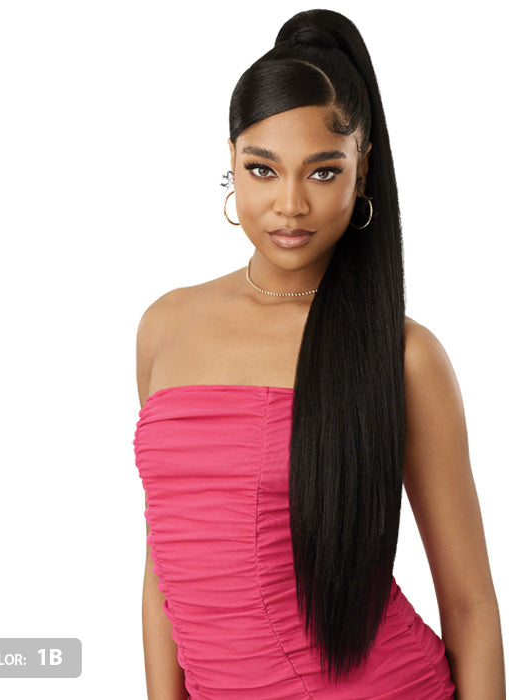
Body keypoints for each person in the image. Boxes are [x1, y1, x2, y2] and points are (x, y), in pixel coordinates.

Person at [134, 9, 505, 699]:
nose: (290, 204)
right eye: (263, 169)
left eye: (323, 172)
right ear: (231, 163)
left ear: (362, 172)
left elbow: (469, 606)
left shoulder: (404, 356)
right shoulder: (166, 327)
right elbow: (167, 566)